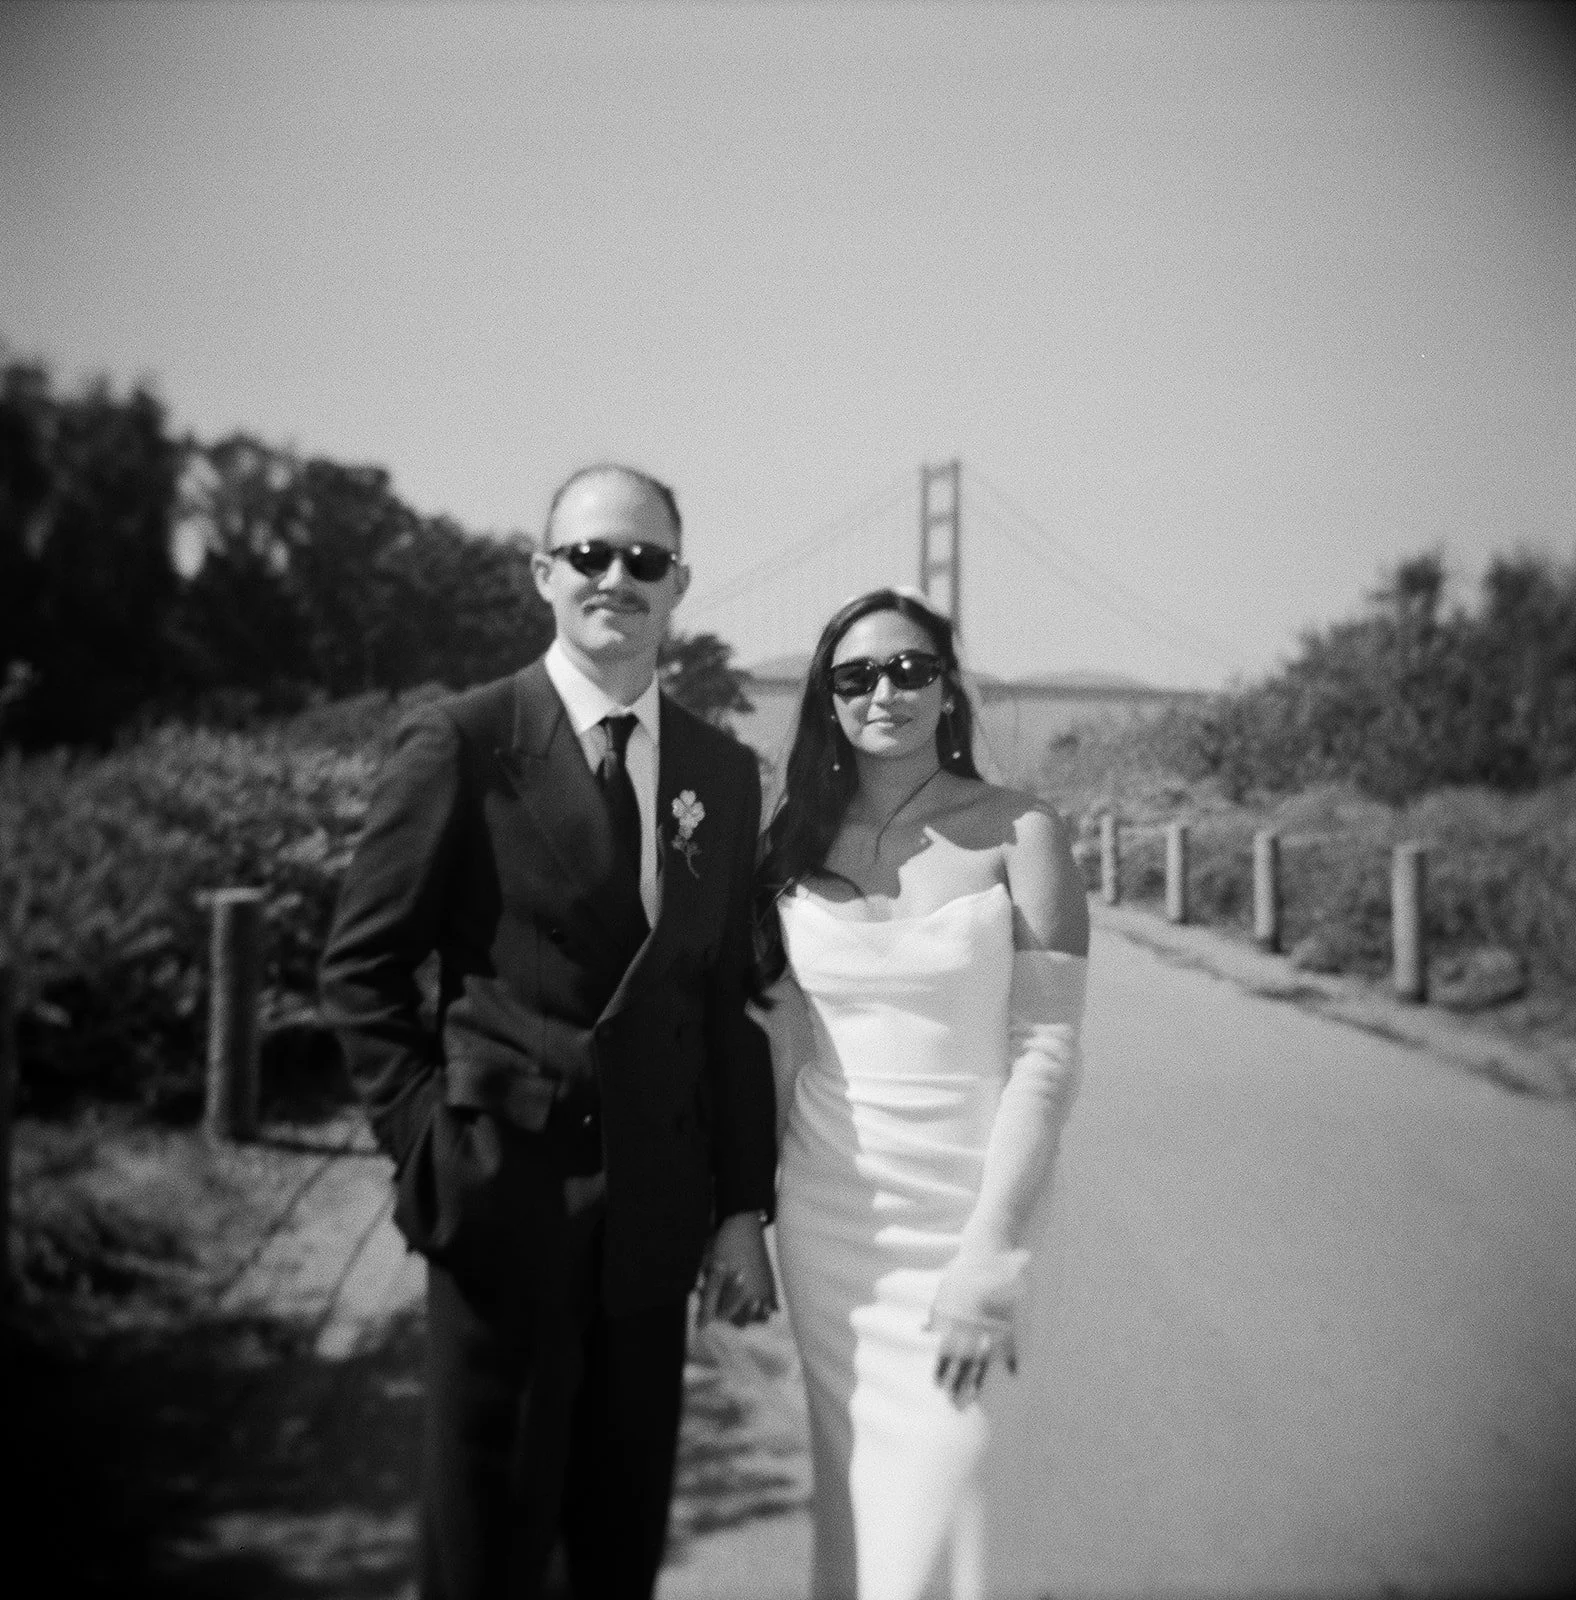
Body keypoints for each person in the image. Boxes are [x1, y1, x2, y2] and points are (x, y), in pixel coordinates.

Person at [320, 463, 778, 1600]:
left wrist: (738, 1208)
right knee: (486, 1550)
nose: (616, 578)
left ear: (679, 586)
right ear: (544, 574)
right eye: (590, 556)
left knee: (616, 1551)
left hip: (651, 1225)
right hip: (503, 1206)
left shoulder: (722, 774)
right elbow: (362, 966)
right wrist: (431, 1149)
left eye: (644, 560)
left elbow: (723, 1006)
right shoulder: (465, 742)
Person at [753, 587, 1090, 1600]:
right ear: (828, 699)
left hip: (966, 1215)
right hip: (827, 1224)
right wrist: (739, 1216)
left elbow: (1044, 1051)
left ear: (949, 690)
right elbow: (780, 1041)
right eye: (855, 676)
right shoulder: (790, 843)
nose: (884, 691)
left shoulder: (1020, 831)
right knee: (859, 1513)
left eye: (910, 669)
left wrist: (992, 1248)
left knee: (948, 1508)